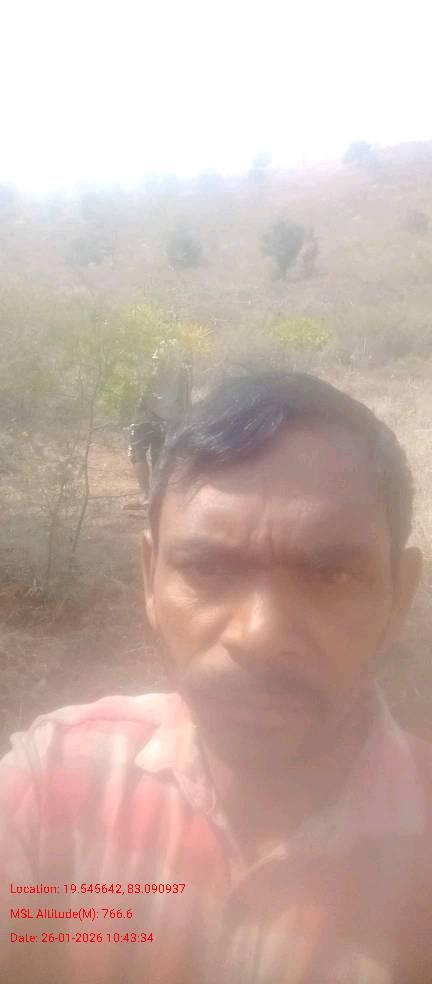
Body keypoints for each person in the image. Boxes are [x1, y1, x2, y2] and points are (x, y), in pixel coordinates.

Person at [1, 368, 431, 984]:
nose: (259, 635)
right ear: (150, 579)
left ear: (399, 597)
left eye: (330, 575)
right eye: (207, 568)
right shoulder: (52, 784)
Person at [128, 362, 192, 503]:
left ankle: (146, 495)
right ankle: (156, 497)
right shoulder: (183, 361)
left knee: (137, 452)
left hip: (145, 414)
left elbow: (141, 384)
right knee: (159, 455)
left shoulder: (152, 356)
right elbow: (185, 393)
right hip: (169, 416)